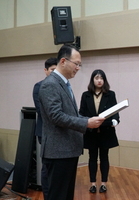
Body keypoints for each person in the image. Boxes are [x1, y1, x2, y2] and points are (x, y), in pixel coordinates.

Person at [38, 45, 105, 200]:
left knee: (66, 195)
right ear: (63, 61)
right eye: (76, 64)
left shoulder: (64, 84)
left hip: (67, 150)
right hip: (58, 151)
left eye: (79, 65)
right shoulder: (50, 84)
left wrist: (87, 120)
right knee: (58, 195)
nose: (78, 68)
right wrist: (86, 123)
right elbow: (56, 116)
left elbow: (70, 114)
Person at [79, 69, 120, 193]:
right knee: (92, 158)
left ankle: (103, 183)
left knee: (104, 157)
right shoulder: (85, 95)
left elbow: (115, 111)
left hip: (106, 131)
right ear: (92, 80)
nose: (99, 80)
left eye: (101, 78)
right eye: (96, 78)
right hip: (91, 132)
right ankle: (92, 183)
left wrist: (115, 121)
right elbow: (81, 113)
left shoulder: (110, 94)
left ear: (104, 80)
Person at [32, 57, 57, 199]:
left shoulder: (61, 85)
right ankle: (47, 195)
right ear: (45, 71)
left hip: (58, 132)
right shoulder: (39, 86)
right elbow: (42, 111)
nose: (54, 73)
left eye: (56, 70)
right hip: (45, 131)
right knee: (47, 166)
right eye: (52, 70)